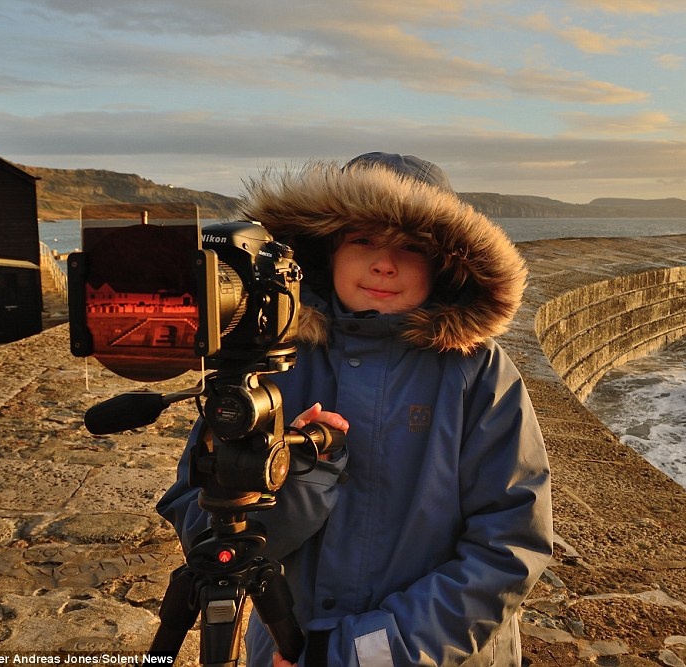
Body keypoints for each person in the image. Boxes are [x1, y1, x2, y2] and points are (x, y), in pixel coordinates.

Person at [157, 152, 553, 666]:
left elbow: (509, 547)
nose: (384, 263)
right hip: (285, 649)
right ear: (326, 249)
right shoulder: (269, 358)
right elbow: (205, 531)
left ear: (444, 264)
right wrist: (294, 477)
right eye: (363, 239)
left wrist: (355, 655)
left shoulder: (476, 371)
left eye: (411, 246)